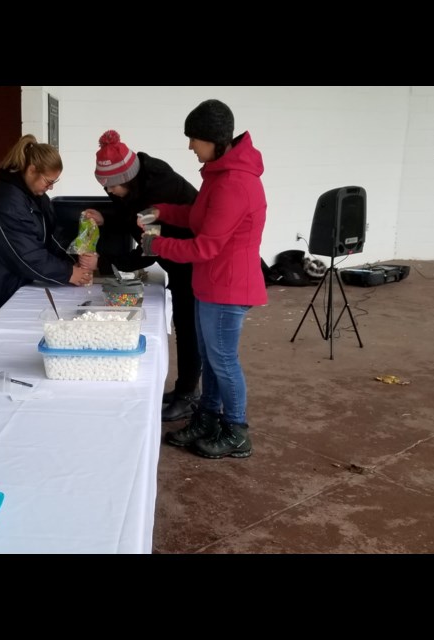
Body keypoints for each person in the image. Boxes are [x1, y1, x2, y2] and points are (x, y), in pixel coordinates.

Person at [138, 99, 267, 459]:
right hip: (211, 285)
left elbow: (206, 246)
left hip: (228, 287)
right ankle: (208, 418)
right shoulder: (218, 175)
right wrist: (161, 210)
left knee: (223, 360)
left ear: (215, 140)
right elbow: (197, 215)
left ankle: (237, 430)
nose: (190, 145)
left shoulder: (234, 183)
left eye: (194, 138)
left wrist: (156, 243)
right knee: (212, 359)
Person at [83, 130, 201, 421]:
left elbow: (148, 250)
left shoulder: (158, 189)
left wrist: (104, 261)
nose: (109, 193)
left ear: (127, 179)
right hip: (175, 255)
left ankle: (188, 395)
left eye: (112, 188)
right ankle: (185, 389)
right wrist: (106, 218)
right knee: (185, 325)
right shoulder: (136, 180)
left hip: (193, 260)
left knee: (189, 327)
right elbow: (130, 213)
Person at [0, 134, 94, 343]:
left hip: (6, 289)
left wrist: (76, 260)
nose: (51, 188)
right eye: (48, 181)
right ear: (31, 170)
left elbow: (52, 236)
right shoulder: (6, 199)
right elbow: (26, 255)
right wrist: (68, 273)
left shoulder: (37, 197)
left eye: (54, 182)